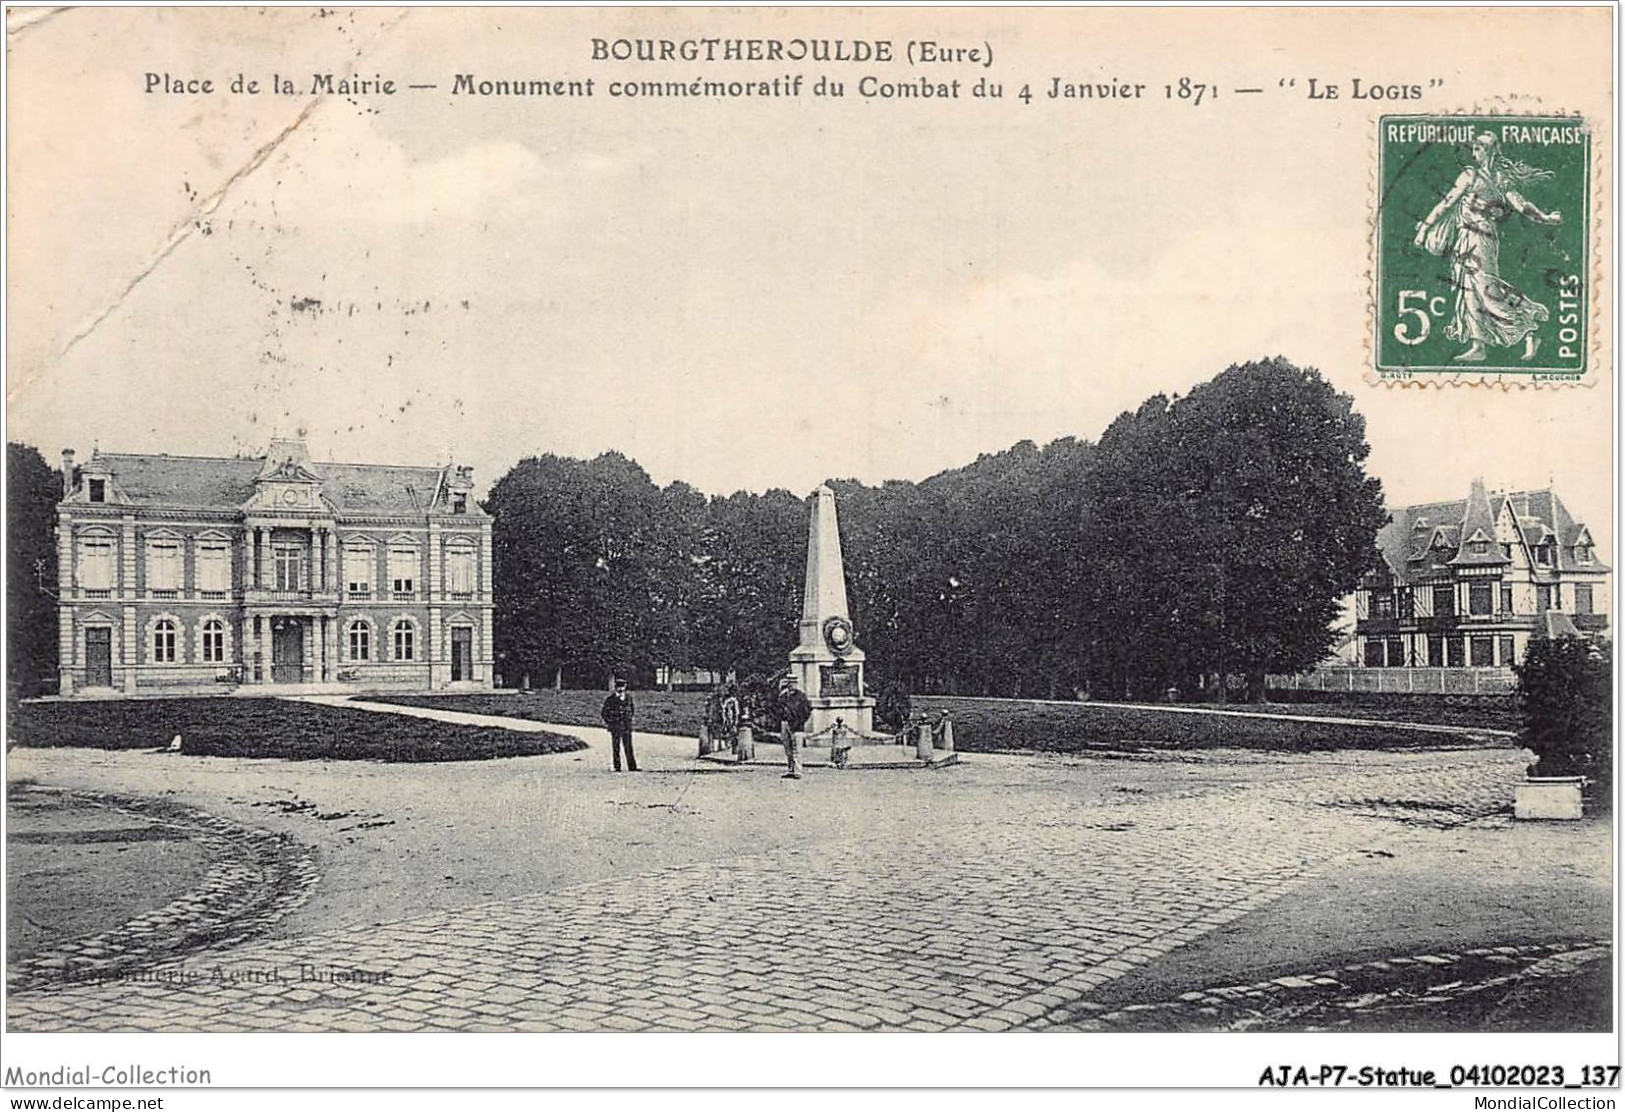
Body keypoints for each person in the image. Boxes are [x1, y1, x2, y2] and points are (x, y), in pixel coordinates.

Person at [1413, 132, 1563, 363]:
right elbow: (1447, 202)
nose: (1475, 153)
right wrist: (1424, 228)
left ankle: (1529, 330)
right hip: (1465, 238)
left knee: (1486, 289)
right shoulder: (1470, 175)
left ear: (1491, 150)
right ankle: (1478, 345)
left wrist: (1545, 218)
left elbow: (1521, 205)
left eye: (1479, 148)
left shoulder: (1500, 178)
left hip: (1482, 239)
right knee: (1468, 290)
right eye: (1474, 149)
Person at [601, 678, 638, 772]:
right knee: (616, 747)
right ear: (616, 688)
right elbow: (604, 713)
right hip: (616, 726)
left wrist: (629, 719)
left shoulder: (629, 698)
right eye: (619, 687)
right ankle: (617, 766)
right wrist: (611, 722)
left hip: (626, 726)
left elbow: (632, 710)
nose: (621, 689)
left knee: (629, 746)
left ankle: (632, 766)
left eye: (622, 687)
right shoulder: (610, 700)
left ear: (625, 687)